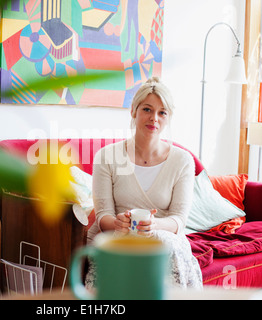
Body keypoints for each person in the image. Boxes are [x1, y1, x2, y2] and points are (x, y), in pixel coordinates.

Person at [86, 77, 203, 289]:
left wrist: (153, 226)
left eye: (162, 112)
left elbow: (179, 219)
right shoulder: (106, 157)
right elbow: (103, 215)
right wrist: (118, 224)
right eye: (147, 109)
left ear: (168, 117)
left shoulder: (183, 161)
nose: (154, 118)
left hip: (166, 242)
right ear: (134, 111)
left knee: (164, 245)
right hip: (118, 240)